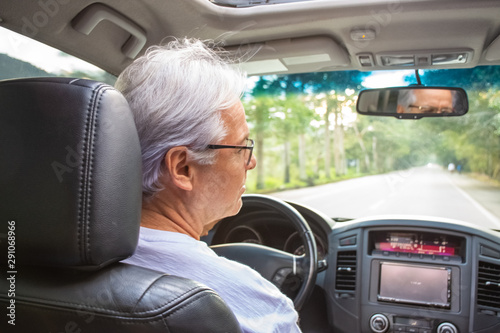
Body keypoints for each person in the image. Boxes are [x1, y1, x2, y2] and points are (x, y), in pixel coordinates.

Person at [115, 38, 301, 332]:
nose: (251, 163)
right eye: (242, 147)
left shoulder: (37, 266)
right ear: (183, 168)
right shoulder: (262, 307)